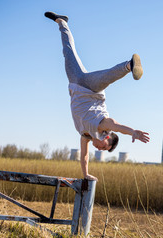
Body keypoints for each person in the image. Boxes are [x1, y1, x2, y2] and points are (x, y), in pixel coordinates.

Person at [45, 12, 150, 181]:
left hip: (76, 83)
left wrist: (85, 174)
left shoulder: (86, 135)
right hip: (92, 89)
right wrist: (132, 132)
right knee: (106, 77)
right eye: (104, 147)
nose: (100, 149)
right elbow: (115, 125)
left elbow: (84, 156)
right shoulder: (103, 128)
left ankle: (62, 22)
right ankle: (130, 65)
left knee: (68, 51)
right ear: (106, 138)